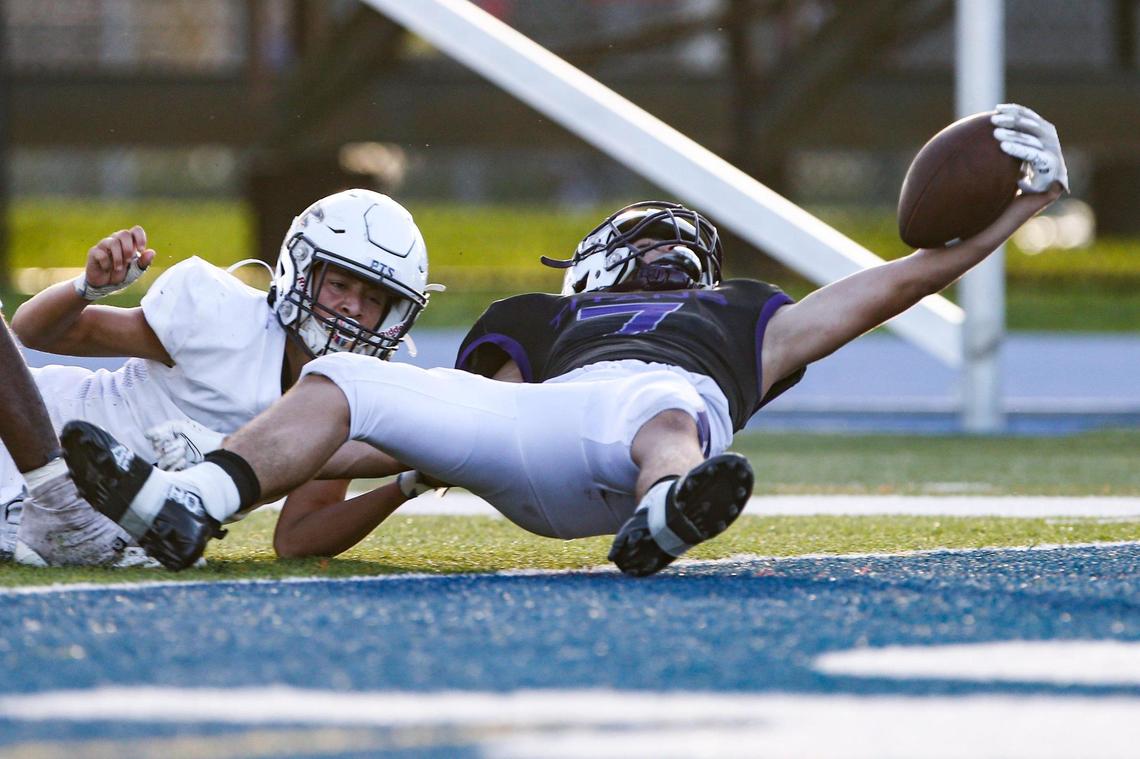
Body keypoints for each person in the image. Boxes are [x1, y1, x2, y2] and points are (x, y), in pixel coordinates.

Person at [61, 103, 1068, 575]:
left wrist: (1016, 217)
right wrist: (286, 450)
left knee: (669, 408)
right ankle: (190, 502)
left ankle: (669, 507)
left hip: (631, 434)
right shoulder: (547, 321)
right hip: (536, 425)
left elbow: (891, 283)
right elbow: (429, 432)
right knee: (344, 377)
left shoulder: (737, 317)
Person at [1, 188, 439, 566]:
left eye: (373, 298)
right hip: (23, 444)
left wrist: (409, 483)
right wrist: (87, 288)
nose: (352, 307)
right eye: (340, 284)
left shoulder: (343, 396)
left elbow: (298, 538)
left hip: (76, 525)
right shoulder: (221, 320)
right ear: (301, 270)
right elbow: (33, 332)